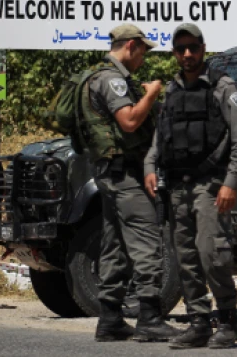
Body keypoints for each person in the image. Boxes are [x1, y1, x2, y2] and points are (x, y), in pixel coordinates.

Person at [144, 23, 237, 349]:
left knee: (212, 254)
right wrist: (150, 165)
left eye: (193, 47)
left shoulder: (223, 87)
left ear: (203, 48)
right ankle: (198, 322)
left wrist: (231, 182)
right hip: (177, 187)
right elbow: (160, 136)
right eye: (181, 49)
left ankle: (229, 321)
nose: (187, 54)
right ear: (175, 53)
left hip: (210, 186)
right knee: (185, 258)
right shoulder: (172, 91)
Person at [80, 24, 179, 342]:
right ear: (132, 46)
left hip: (112, 174)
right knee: (148, 241)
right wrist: (151, 94)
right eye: (143, 52)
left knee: (116, 246)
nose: (144, 59)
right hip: (124, 176)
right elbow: (130, 120)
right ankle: (150, 317)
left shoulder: (101, 75)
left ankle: (109, 319)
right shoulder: (111, 79)